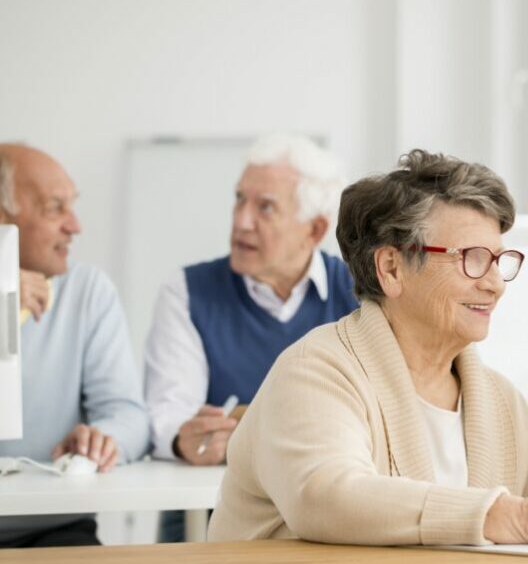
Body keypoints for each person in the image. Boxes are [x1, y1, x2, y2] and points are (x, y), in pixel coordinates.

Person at [207, 149, 528, 546]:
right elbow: (326, 496)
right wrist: (509, 517)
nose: (494, 283)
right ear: (391, 268)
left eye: (499, 260)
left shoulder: (504, 404)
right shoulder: (314, 371)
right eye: (471, 257)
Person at [144, 133, 359, 541]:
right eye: (239, 199)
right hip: (208, 512)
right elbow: (168, 413)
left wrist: (250, 439)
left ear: (314, 230)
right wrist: (183, 438)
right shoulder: (187, 291)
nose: (242, 220)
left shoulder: (361, 293)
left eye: (265, 207)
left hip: (324, 513)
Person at [0, 144, 150, 548]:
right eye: (55, 208)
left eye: (72, 206)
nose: (75, 226)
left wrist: (101, 437)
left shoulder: (87, 292)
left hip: (53, 532)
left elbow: (130, 416)